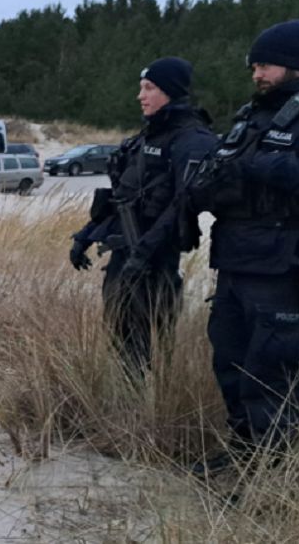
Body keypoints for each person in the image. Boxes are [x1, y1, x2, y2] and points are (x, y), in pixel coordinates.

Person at [189, 20, 299, 475]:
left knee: (269, 371)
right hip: (237, 260)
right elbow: (227, 169)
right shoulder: (252, 115)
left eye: (266, 65)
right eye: (254, 65)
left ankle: (272, 473)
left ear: (295, 65)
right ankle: (242, 454)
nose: (257, 73)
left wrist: (261, 168)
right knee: (230, 361)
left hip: (285, 264)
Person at [70, 57, 217, 373]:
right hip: (125, 256)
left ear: (170, 92)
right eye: (141, 88)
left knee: (148, 345)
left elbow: (184, 204)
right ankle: (127, 402)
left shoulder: (192, 140)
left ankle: (148, 412)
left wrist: (144, 255)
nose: (141, 96)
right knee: (120, 337)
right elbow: (120, 199)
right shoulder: (144, 139)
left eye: (149, 88)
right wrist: (85, 235)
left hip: (156, 264)